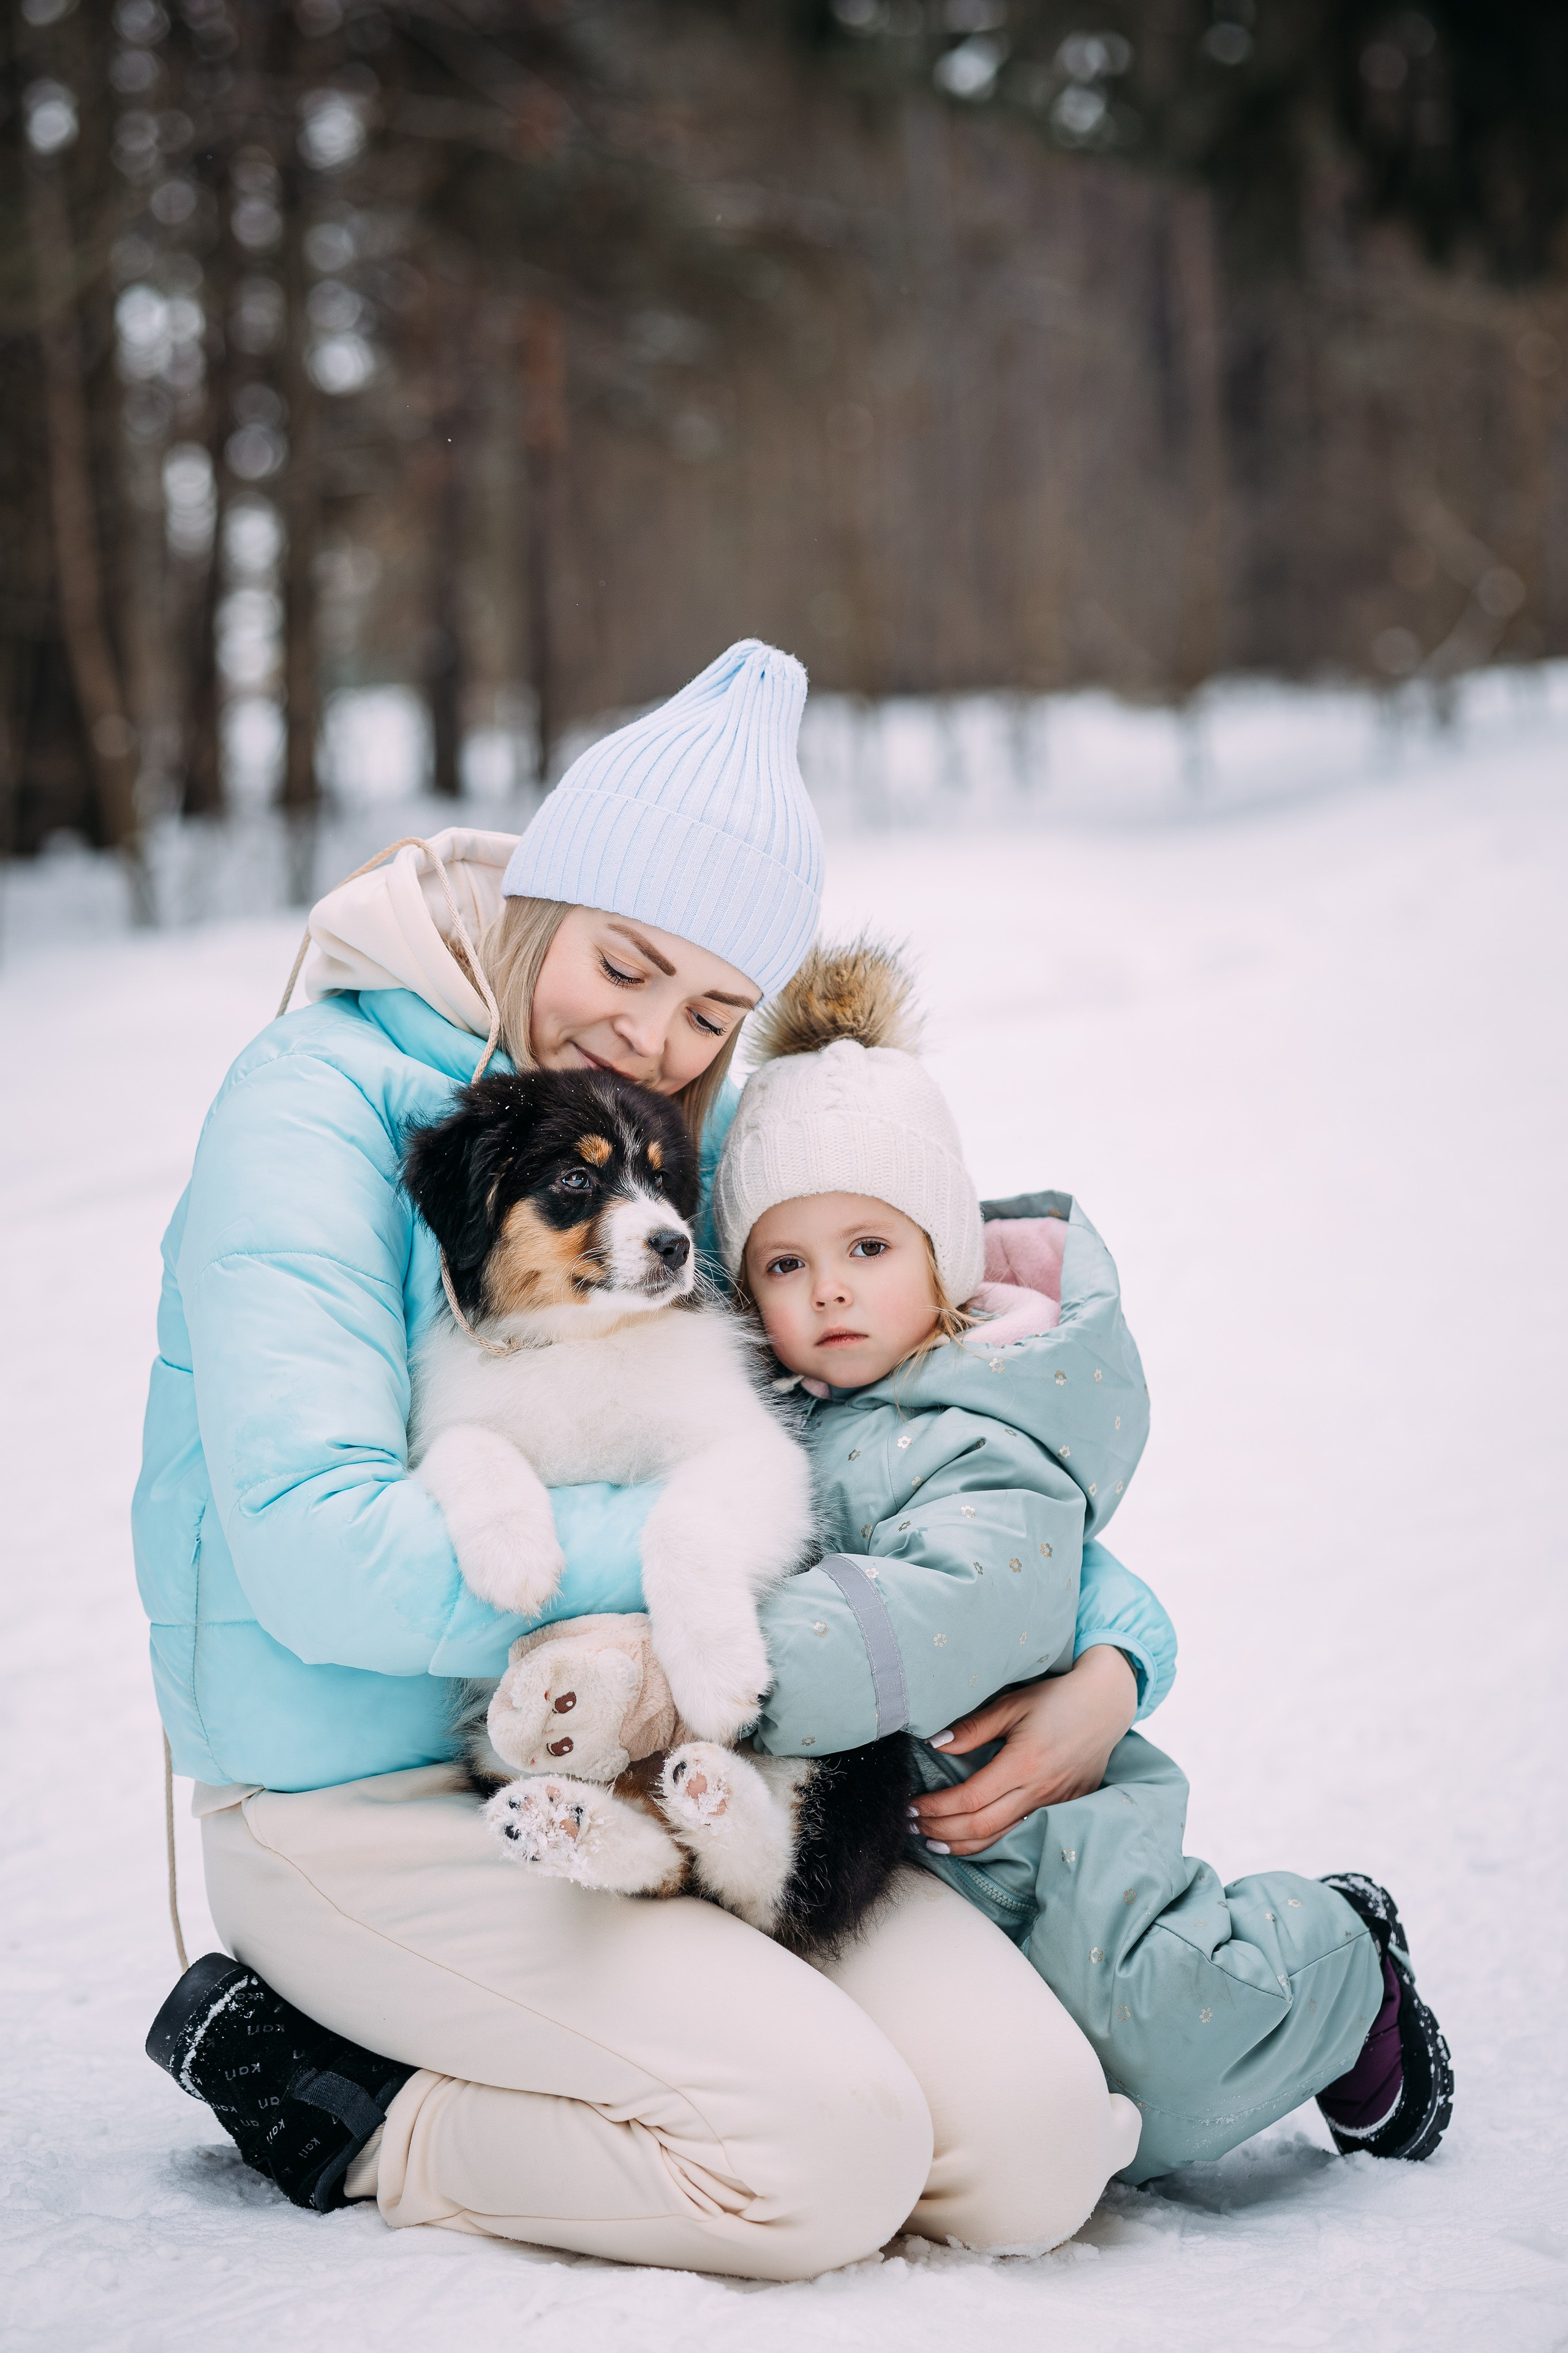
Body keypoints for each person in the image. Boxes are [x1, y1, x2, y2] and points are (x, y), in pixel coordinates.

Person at [139, 641, 1161, 2271]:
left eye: (711, 1010)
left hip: (690, 1756)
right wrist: (714, 1566)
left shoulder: (688, 1143)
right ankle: (355, 2104)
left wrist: (1110, 1646)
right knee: (825, 2155)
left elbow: (905, 1401)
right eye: (623, 962)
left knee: (1037, 2151)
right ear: (544, 899)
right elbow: (316, 1550)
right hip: (358, 1803)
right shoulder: (313, 1105)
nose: (652, 1037)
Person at [709, 940, 1455, 2179]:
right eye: (786, 1263)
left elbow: (955, 1606)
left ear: (944, 1254)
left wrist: (717, 1670)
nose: (829, 1290)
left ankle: (1339, 1957)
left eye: (869, 1247)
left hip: (1051, 1825)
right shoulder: (771, 1419)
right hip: (910, 1848)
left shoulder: (985, 1421)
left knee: (1163, 2058)